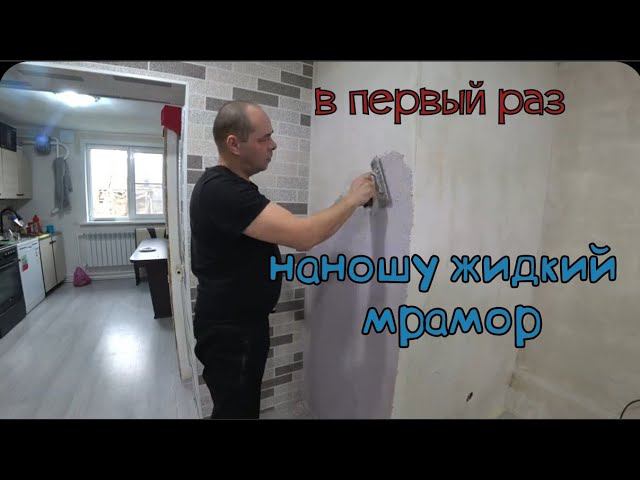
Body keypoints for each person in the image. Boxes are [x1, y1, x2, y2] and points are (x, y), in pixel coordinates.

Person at [190, 100, 375, 419]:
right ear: (234, 144)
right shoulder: (223, 191)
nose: (273, 144)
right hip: (231, 333)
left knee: (239, 408)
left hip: (237, 326)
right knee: (236, 413)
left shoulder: (232, 188)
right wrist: (352, 199)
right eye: (264, 138)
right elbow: (303, 235)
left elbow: (280, 233)